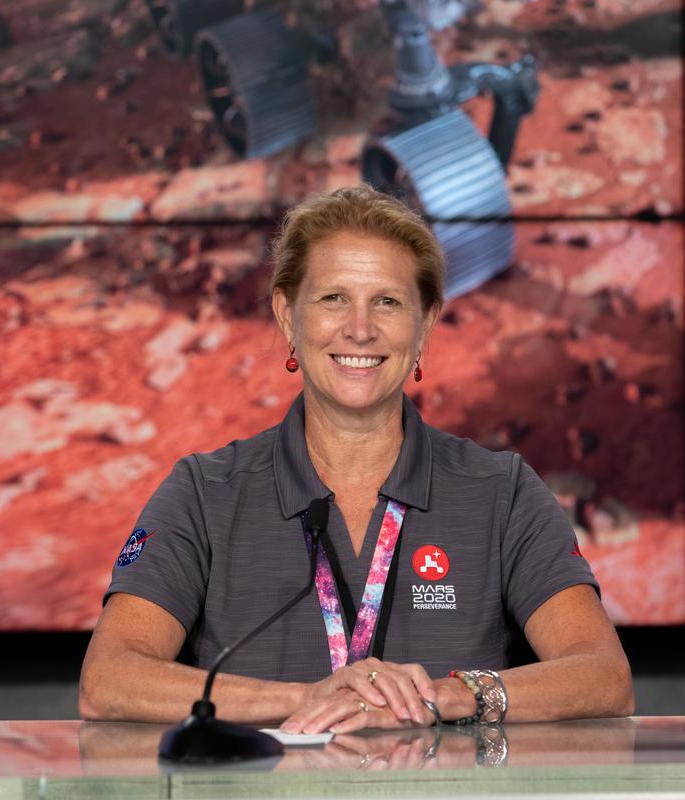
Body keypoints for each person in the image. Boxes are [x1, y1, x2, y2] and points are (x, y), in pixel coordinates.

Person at [79, 185, 633, 733]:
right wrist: (310, 701)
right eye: (333, 298)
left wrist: (452, 695)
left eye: (388, 302)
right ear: (286, 315)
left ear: (426, 325)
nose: (361, 329)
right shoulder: (203, 493)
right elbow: (109, 681)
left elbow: (604, 677)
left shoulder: (502, 491)